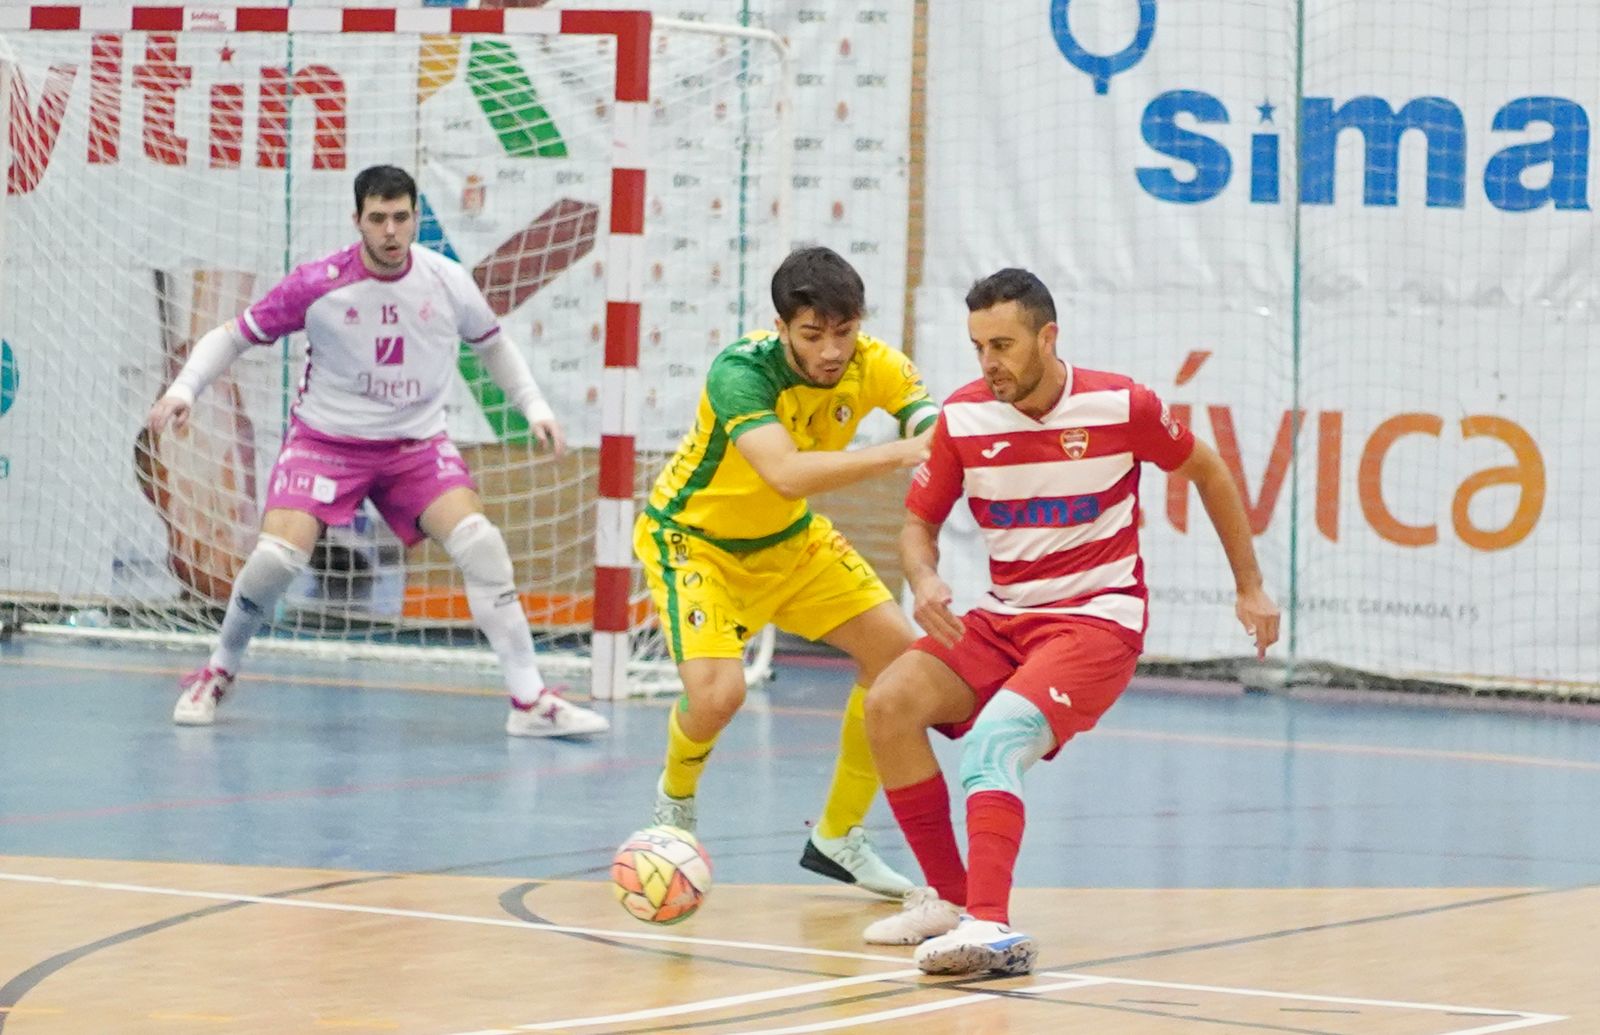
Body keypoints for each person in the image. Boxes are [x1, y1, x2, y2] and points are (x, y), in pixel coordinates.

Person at [861, 268, 1280, 974]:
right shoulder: (963, 418)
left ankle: (992, 928)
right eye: (977, 347)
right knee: (888, 702)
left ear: (1048, 337)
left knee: (995, 739)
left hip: (1096, 621)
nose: (989, 362)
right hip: (1002, 620)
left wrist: (1251, 585)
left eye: (1003, 344)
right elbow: (916, 523)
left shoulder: (1122, 404)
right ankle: (952, 899)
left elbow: (1207, 470)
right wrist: (924, 574)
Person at [145, 165, 609, 739]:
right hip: (326, 445)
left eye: (401, 217)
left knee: (482, 547)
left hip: (414, 448)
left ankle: (530, 702)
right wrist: (184, 389)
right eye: (378, 219)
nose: (391, 231)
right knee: (274, 562)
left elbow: (494, 346)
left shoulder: (447, 281)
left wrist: (535, 406)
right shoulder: (319, 283)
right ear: (357, 220)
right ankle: (218, 670)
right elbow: (232, 334)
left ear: (416, 217)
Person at [636, 246, 939, 898]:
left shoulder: (874, 363)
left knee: (900, 660)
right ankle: (676, 800)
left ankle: (838, 835)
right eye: (813, 334)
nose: (832, 349)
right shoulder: (741, 372)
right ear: (782, 328)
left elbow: (933, 427)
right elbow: (786, 472)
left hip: (791, 542)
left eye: (844, 331)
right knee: (719, 696)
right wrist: (902, 452)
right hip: (696, 543)